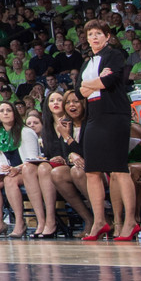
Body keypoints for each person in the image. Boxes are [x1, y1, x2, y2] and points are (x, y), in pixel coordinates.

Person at [77, 19, 135, 241]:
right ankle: (99, 221)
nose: (94, 37)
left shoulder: (114, 55)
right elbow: (78, 91)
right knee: (92, 171)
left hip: (114, 115)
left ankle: (130, 221)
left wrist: (91, 83)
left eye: (98, 33)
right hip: (94, 117)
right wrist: (96, 81)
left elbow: (108, 82)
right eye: (90, 34)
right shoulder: (87, 63)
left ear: (107, 36)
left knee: (118, 169)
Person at [0, 101, 48, 238]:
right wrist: (5, 168)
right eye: (2, 111)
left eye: (9, 110)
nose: (5, 113)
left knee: (10, 181)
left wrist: (16, 169)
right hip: (12, 172)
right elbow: (0, 160)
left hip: (29, 170)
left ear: (14, 113)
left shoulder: (26, 132)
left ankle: (20, 222)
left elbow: (32, 160)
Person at [39, 91, 92, 232]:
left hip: (93, 167)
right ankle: (89, 219)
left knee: (76, 171)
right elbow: (68, 151)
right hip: (73, 166)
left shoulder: (89, 122)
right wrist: (68, 154)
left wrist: (67, 138)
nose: (71, 105)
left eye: (75, 102)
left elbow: (83, 152)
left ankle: (102, 217)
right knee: (56, 173)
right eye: (68, 102)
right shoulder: (59, 126)